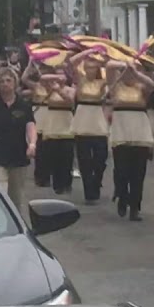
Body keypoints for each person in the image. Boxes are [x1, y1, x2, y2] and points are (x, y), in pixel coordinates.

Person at [0, 67, 37, 216]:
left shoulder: (23, 105)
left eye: (8, 80)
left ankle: (15, 224)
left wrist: (32, 144)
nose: (5, 84)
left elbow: (30, 126)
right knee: (0, 192)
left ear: (15, 82)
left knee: (16, 198)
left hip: (18, 155)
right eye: (1, 81)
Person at [107, 60, 154, 222]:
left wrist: (135, 72)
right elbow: (109, 66)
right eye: (126, 71)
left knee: (138, 173)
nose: (129, 74)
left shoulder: (141, 87)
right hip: (121, 132)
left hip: (140, 132)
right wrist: (124, 63)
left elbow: (151, 84)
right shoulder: (115, 86)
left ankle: (135, 207)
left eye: (133, 71)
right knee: (121, 170)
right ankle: (121, 195)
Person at [69, 51, 110, 205]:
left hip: (97, 119)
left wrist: (104, 58)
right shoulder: (81, 79)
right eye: (88, 67)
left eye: (93, 68)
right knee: (84, 158)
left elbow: (112, 69)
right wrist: (88, 51)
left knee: (101, 157)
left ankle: (96, 180)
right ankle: (89, 191)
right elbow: (72, 61)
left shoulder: (102, 82)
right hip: (83, 119)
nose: (90, 70)